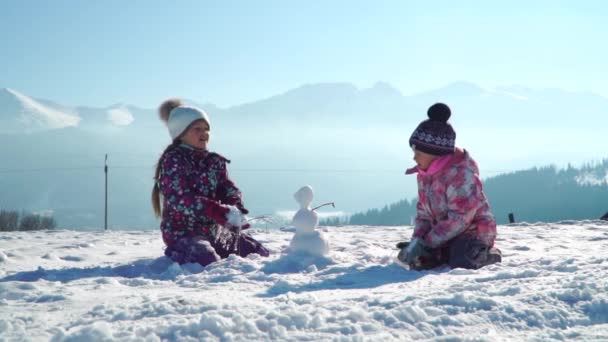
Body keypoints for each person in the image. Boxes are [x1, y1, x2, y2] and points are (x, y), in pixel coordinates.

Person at [152, 99, 269, 266]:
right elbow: (179, 198)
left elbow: (227, 187)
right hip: (182, 232)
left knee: (256, 252)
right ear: (181, 133)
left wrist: (234, 205)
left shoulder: (214, 161)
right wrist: (212, 209)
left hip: (213, 231)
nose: (204, 133)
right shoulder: (173, 160)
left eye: (206, 129)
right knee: (206, 260)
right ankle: (177, 251)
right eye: (197, 129)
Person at [397, 103, 501, 270]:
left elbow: (460, 218)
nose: (414, 158)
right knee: (421, 259)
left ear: (435, 154)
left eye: (418, 154)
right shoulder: (424, 175)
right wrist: (417, 241)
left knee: (461, 258)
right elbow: (423, 214)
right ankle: (436, 254)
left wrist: (428, 242)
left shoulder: (460, 175)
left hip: (472, 233)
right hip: (443, 234)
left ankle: (488, 254)